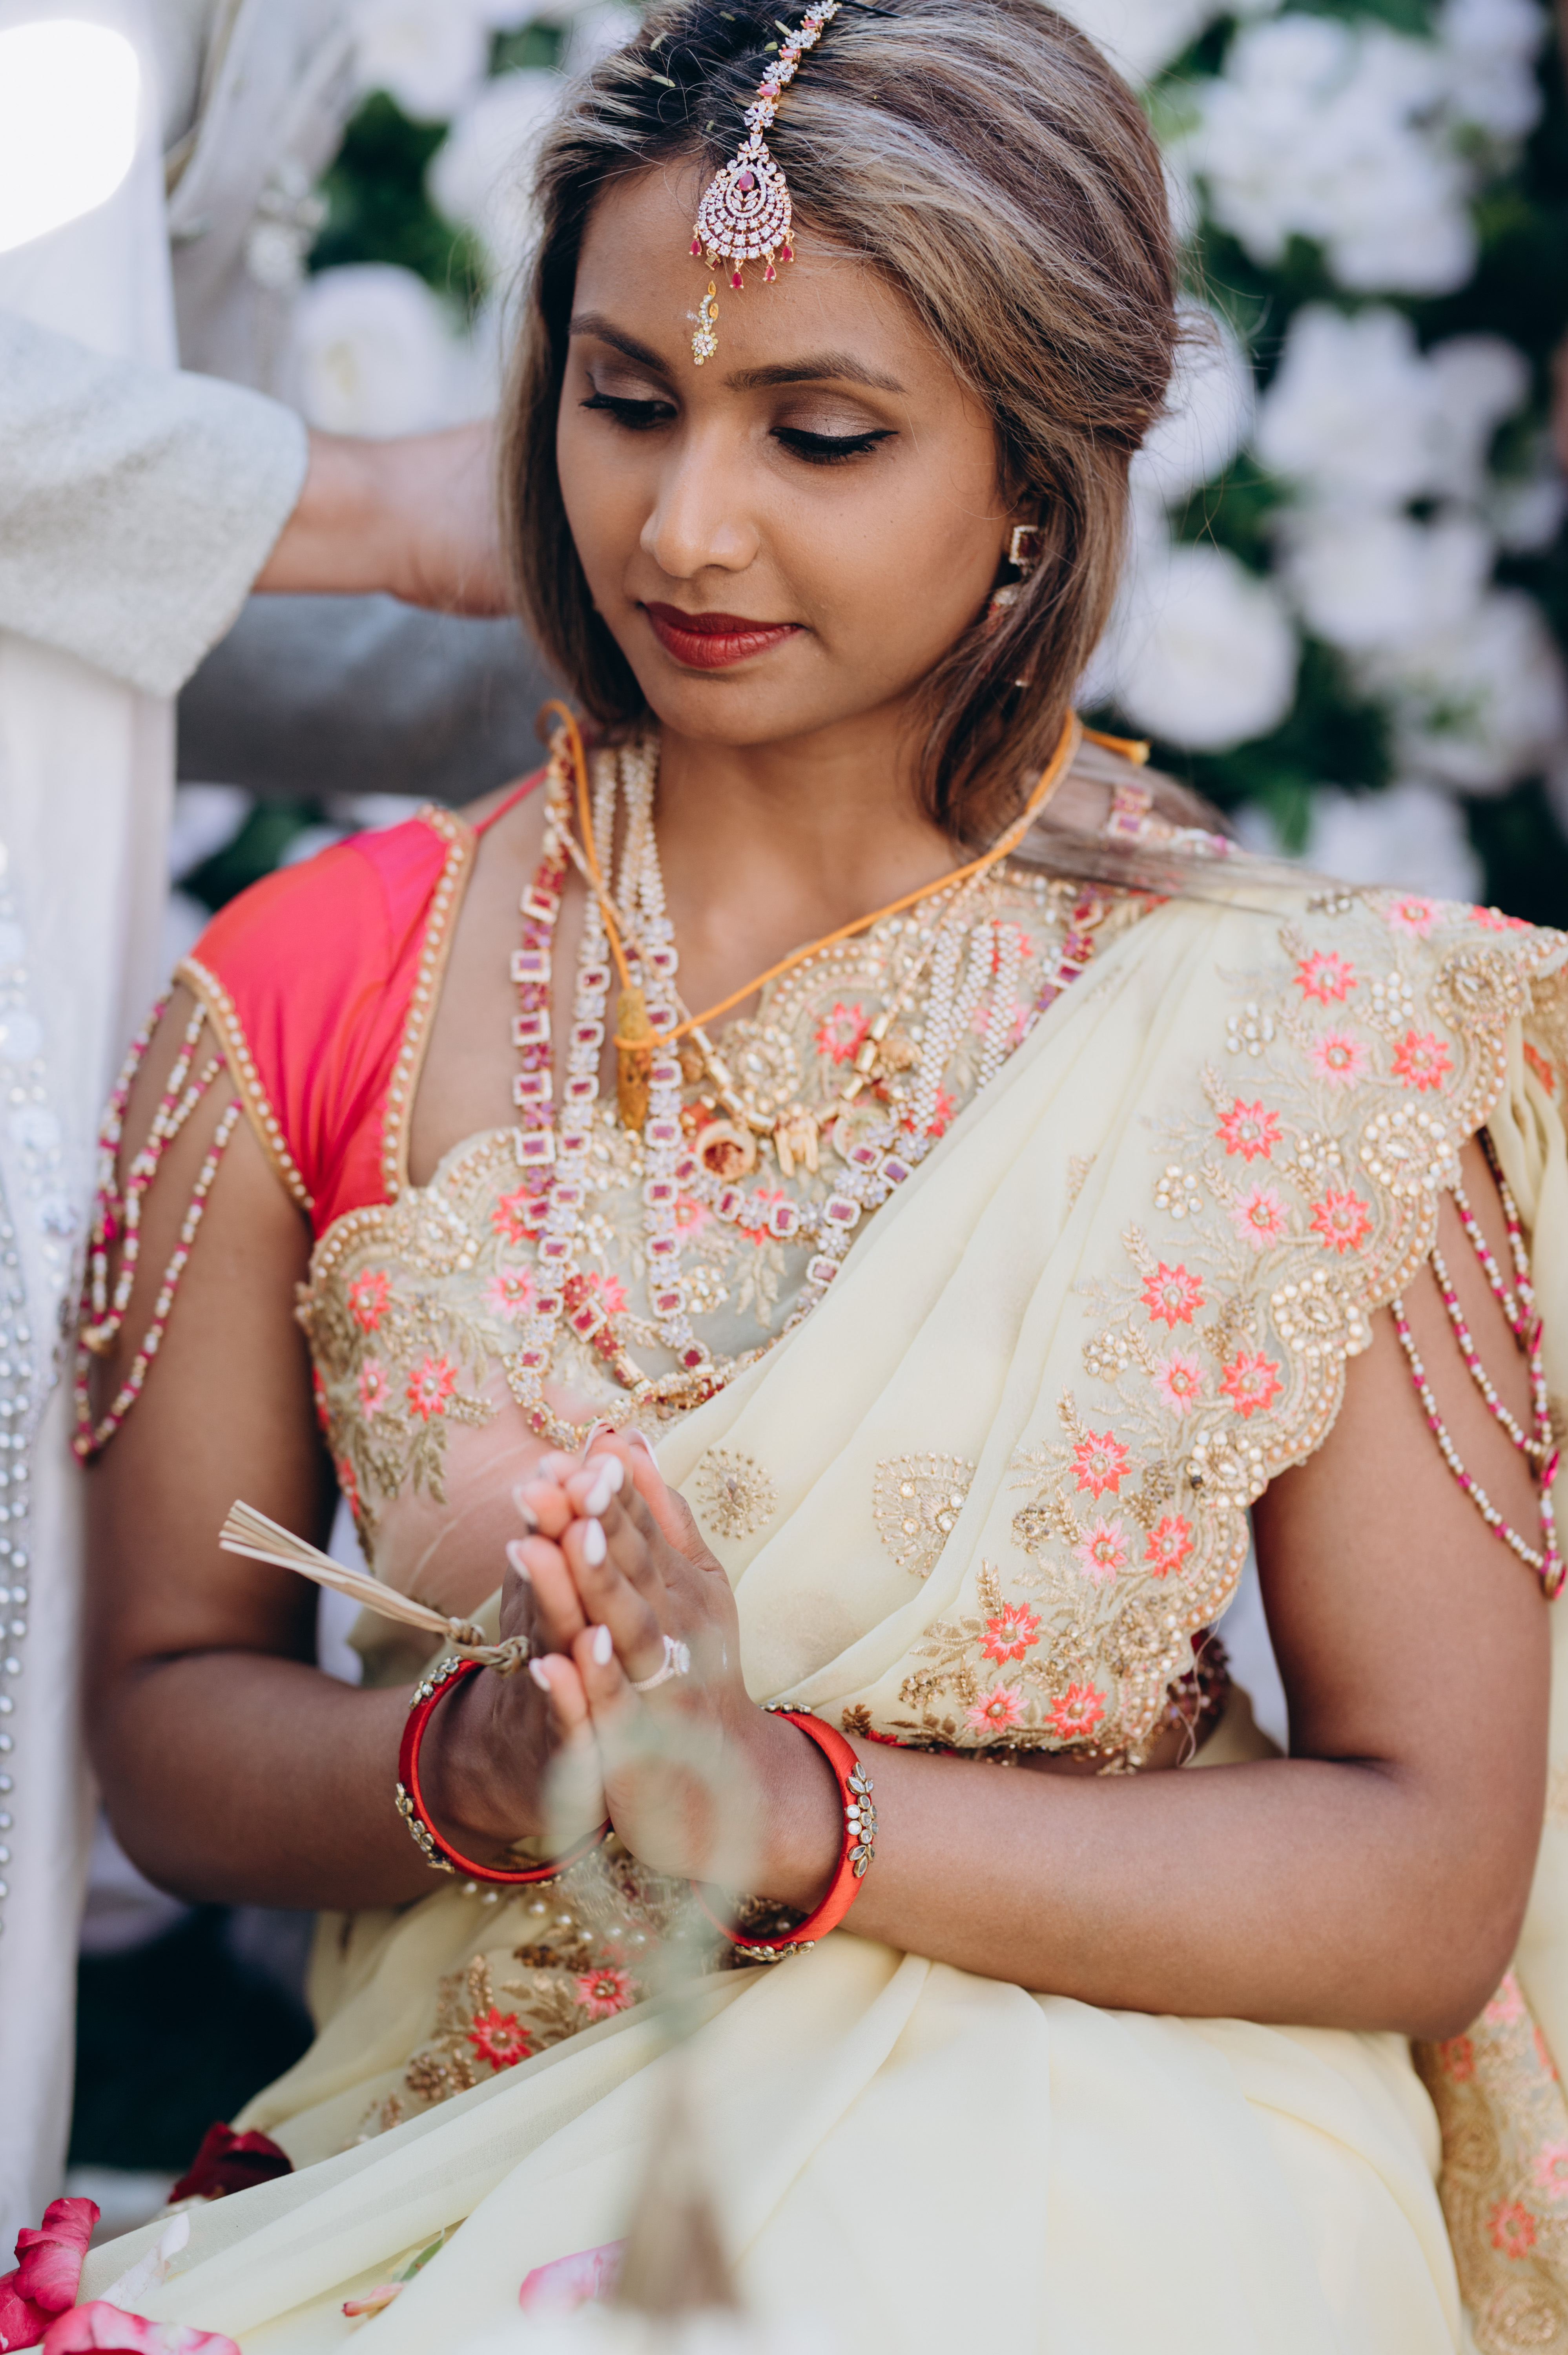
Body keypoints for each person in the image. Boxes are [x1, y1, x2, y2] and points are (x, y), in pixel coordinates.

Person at [62, 2, 1568, 2347]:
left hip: (1136, 2150)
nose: (686, 527)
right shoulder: (321, 983)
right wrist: (477, 1765)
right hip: (483, 2139)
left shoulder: (1294, 1028)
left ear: (1040, 471)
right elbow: (171, 1723)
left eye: (822, 434)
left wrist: (785, 1808)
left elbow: (1425, 1871)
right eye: (624, 400)